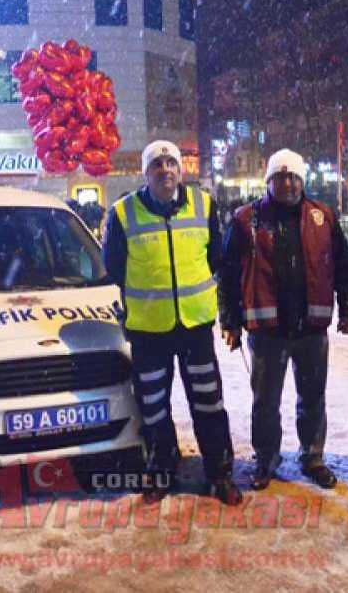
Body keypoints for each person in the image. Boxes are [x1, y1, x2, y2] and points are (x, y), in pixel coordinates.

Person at [102, 140, 242, 506]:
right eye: (157, 164)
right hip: (149, 331)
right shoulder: (122, 213)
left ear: (181, 170)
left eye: (171, 163)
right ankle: (161, 468)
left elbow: (215, 260)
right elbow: (114, 268)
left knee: (209, 402)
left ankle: (220, 471)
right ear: (145, 172)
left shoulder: (204, 205)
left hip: (195, 327)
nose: (165, 170)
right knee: (153, 406)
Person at [219, 149, 348, 490]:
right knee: (265, 402)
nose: (287, 183)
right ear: (269, 181)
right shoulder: (245, 220)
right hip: (267, 331)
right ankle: (266, 458)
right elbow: (228, 274)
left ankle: (312, 456)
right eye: (279, 177)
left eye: (293, 177)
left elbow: (345, 268)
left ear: (302, 180)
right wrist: (230, 321)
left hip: (311, 328)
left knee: (313, 397)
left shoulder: (322, 217)